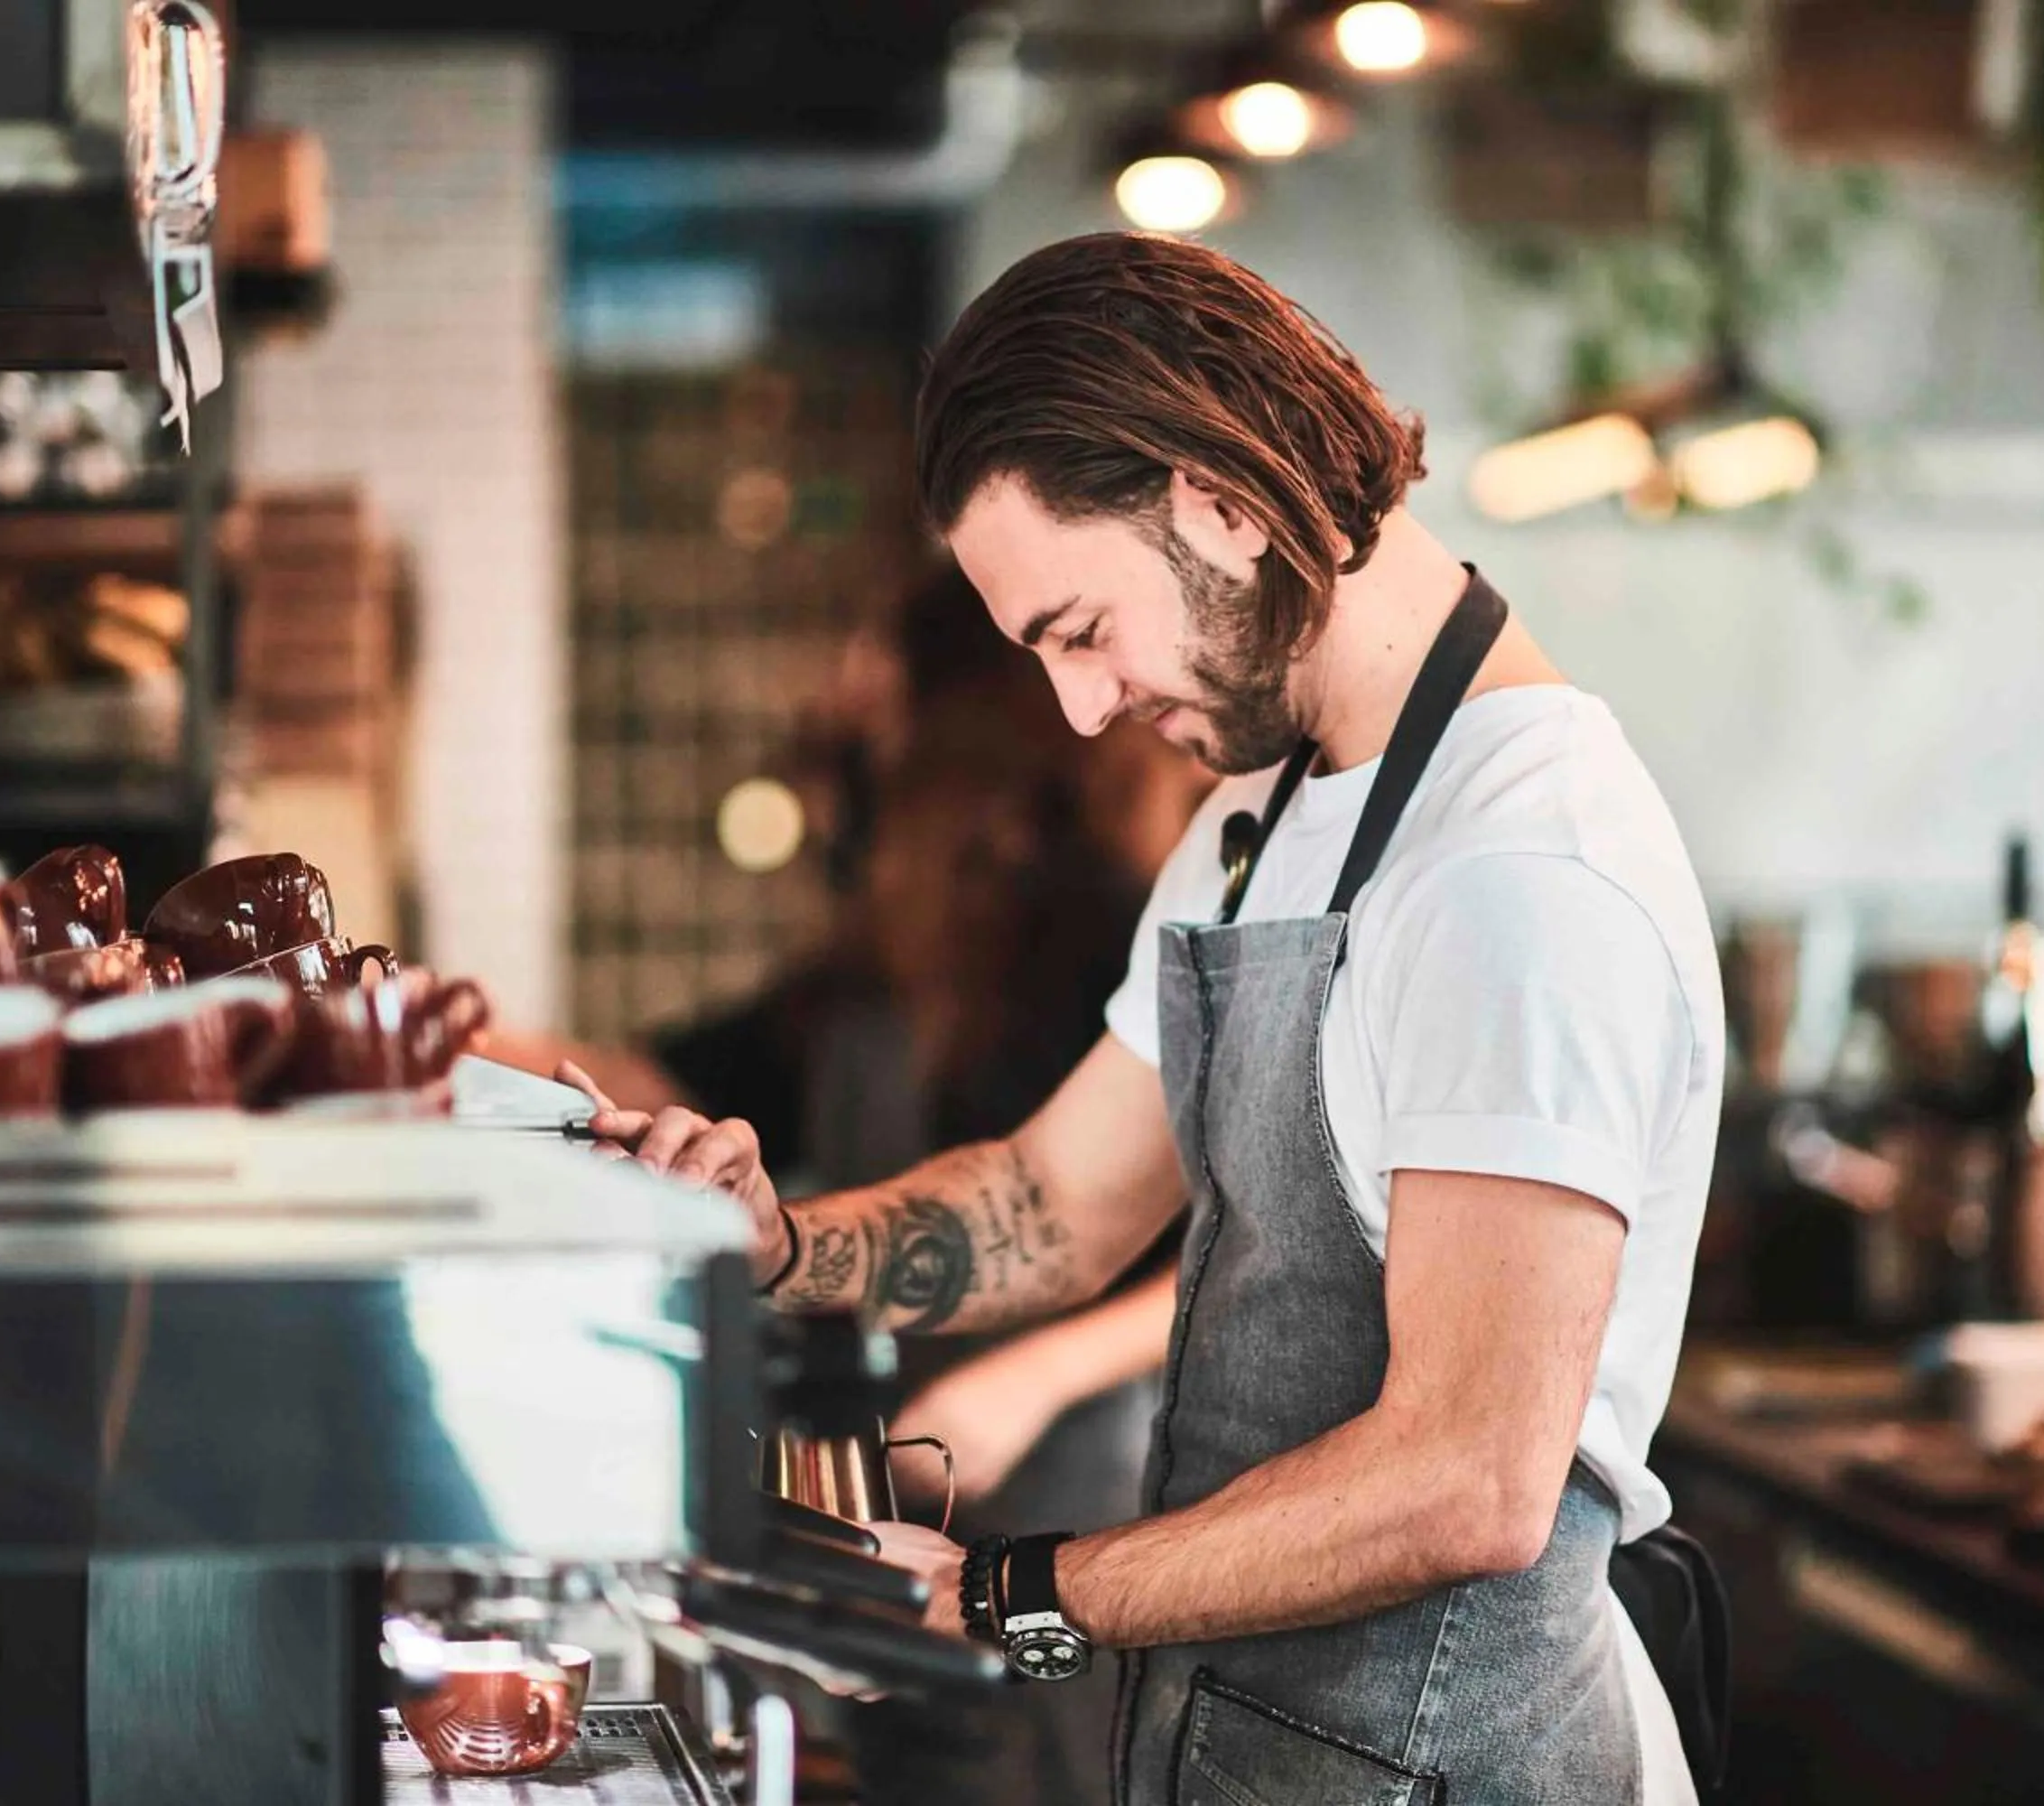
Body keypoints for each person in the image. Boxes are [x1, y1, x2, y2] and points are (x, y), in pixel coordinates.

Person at [580, 233, 1723, 1806]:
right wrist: (778, 1250)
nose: (1079, 710)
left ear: (1221, 502)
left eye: (1080, 629)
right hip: (1262, 1744)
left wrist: (1005, 1592)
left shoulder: (1520, 872)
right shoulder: (1264, 816)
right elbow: (1052, 1203)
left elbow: (1470, 1482)